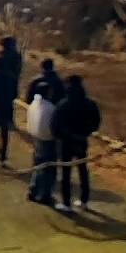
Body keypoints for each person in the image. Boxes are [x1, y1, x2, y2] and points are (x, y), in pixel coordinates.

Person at [52, 75, 102, 213]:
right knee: (82, 170)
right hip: (81, 140)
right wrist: (86, 133)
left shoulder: (63, 105)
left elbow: (55, 126)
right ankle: (84, 201)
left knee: (66, 173)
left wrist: (61, 136)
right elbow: (96, 122)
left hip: (66, 142)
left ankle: (66, 202)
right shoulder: (90, 104)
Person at [25, 59, 65, 205]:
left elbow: (28, 101)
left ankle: (33, 189)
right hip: (48, 135)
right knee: (49, 166)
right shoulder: (51, 107)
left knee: (37, 162)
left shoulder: (35, 103)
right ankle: (45, 195)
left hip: (36, 133)